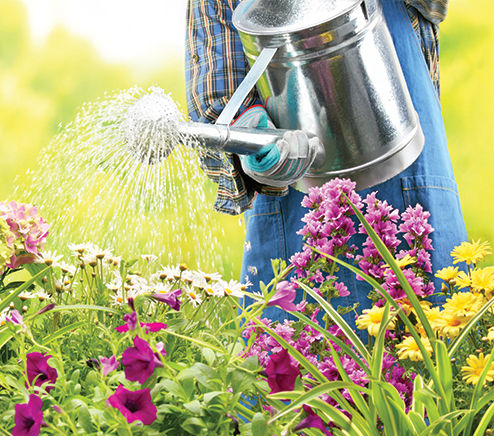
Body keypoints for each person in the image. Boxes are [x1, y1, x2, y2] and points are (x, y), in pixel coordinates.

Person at [186, 0, 468, 323]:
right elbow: (216, 91)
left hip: (411, 188)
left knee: (430, 357)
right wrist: (249, 134)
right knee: (301, 361)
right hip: (296, 214)